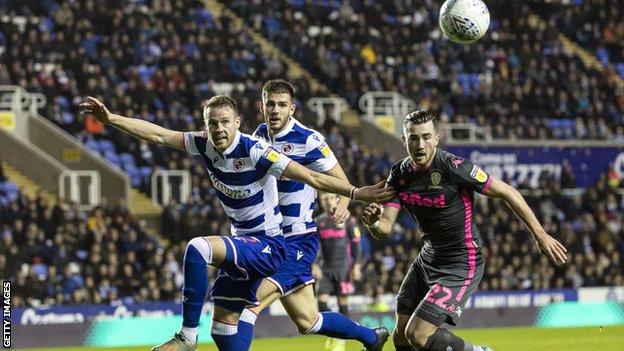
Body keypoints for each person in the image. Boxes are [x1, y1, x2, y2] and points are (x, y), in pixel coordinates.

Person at [78, 95, 394, 351]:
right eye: (212, 123)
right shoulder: (203, 144)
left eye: (225, 122)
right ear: (205, 126)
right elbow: (159, 133)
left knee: (199, 248)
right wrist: (111, 119)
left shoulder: (256, 150)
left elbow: (309, 175)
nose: (218, 129)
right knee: (226, 329)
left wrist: (356, 192)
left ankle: (188, 336)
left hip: (270, 246)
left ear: (238, 123)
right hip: (245, 244)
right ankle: (370, 337)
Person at [361, 110, 568, 351]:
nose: (420, 144)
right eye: (413, 138)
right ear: (404, 140)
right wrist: (373, 222)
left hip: (461, 261)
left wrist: (540, 235)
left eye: (426, 137)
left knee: (417, 335)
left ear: (437, 138)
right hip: (428, 258)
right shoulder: (399, 175)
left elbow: (508, 192)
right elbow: (384, 228)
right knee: (401, 338)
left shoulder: (454, 167)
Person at [236, 80, 388, 351]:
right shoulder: (259, 135)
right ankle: (371, 337)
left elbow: (341, 179)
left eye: (282, 105)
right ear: (261, 106)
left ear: (292, 109)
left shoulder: (309, 139)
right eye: (270, 104)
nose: (275, 110)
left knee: (248, 304)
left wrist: (344, 203)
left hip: (295, 240)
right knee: (309, 320)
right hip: (268, 238)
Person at [314, 192, 364, 351]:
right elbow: (315, 247)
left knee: (343, 301)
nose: (327, 201)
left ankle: (341, 339)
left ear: (336, 199)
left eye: (329, 198)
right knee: (321, 301)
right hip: (326, 267)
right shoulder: (319, 221)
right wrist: (314, 264)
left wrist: (356, 265)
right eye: (324, 199)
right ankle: (333, 334)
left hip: (344, 267)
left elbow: (356, 244)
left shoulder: (348, 219)